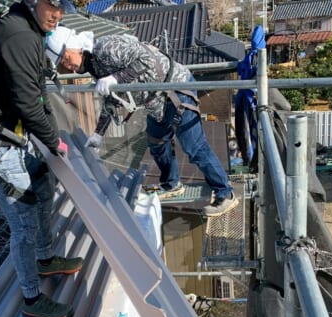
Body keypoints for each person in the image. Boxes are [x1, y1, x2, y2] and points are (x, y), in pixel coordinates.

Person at [0, 0, 83, 317]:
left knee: (44, 191)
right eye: (52, 5)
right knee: (24, 223)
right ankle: (31, 296)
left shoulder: (25, 30)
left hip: (16, 138)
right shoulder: (18, 36)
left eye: (62, 7)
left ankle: (45, 259)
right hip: (0, 146)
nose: (57, 14)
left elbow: (38, 95)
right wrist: (52, 141)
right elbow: (28, 103)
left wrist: (49, 136)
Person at [44, 26, 237, 217]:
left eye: (66, 58)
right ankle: (171, 184)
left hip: (177, 88)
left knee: (194, 147)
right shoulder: (95, 65)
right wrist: (97, 134)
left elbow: (145, 59)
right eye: (62, 63)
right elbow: (112, 98)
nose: (68, 66)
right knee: (156, 141)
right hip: (157, 100)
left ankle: (225, 193)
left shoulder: (106, 48)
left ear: (76, 47)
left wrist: (114, 78)